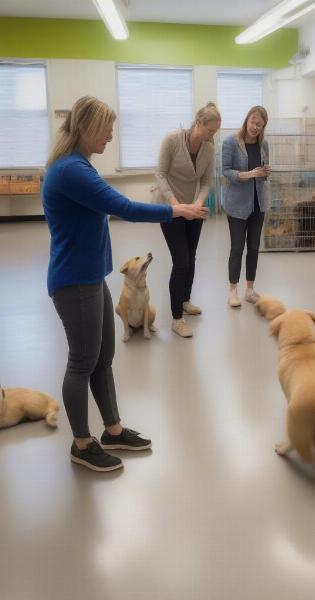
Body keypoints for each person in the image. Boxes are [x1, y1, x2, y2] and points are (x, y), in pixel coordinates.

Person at [43, 96, 205, 472]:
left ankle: (112, 429)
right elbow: (124, 208)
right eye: (106, 128)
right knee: (82, 361)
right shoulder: (71, 171)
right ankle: (82, 443)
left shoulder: (78, 165)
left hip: (89, 278)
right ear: (85, 129)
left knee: (103, 358)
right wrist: (176, 209)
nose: (111, 135)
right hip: (74, 281)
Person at [154, 102, 221, 338]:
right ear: (198, 123)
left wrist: (198, 204)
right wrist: (176, 206)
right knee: (180, 261)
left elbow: (205, 182)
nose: (212, 136)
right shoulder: (172, 141)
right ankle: (176, 318)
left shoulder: (209, 149)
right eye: (210, 131)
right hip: (169, 207)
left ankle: (185, 300)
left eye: (215, 132)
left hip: (194, 208)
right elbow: (160, 174)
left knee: (191, 257)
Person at [221, 106, 271, 308]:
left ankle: (249, 289)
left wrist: (265, 172)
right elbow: (225, 171)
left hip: (259, 204)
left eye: (260, 124)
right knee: (237, 248)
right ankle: (233, 290)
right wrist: (250, 174)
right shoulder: (230, 142)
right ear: (246, 120)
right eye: (253, 122)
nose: (255, 127)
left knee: (254, 248)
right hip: (237, 206)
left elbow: (264, 172)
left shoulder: (263, 144)